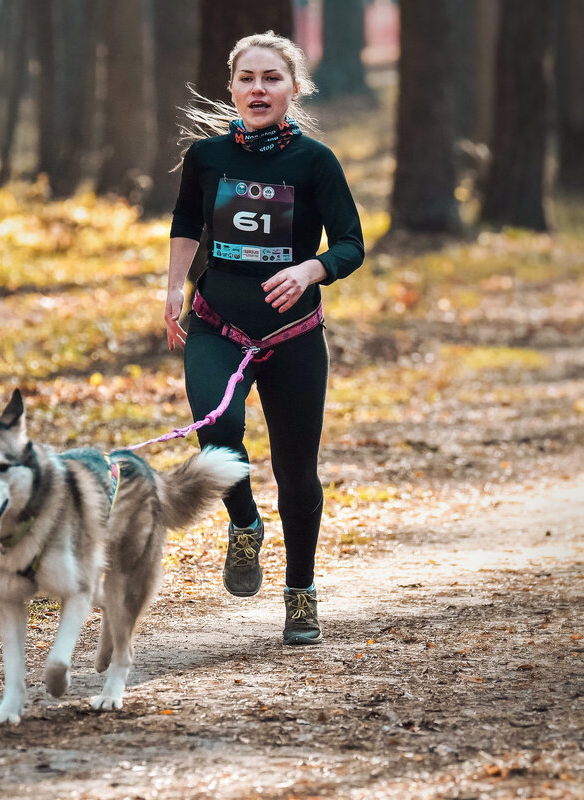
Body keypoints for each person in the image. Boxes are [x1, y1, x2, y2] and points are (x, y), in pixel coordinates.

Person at [165, 31, 364, 645]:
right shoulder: (207, 156)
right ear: (231, 88)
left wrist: (311, 269)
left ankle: (300, 593)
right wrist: (172, 287)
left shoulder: (315, 161)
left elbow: (352, 244)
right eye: (247, 78)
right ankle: (244, 523)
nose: (258, 89)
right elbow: (184, 222)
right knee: (216, 433)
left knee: (298, 473)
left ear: (293, 89)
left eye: (271, 78)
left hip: (294, 334)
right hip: (217, 324)